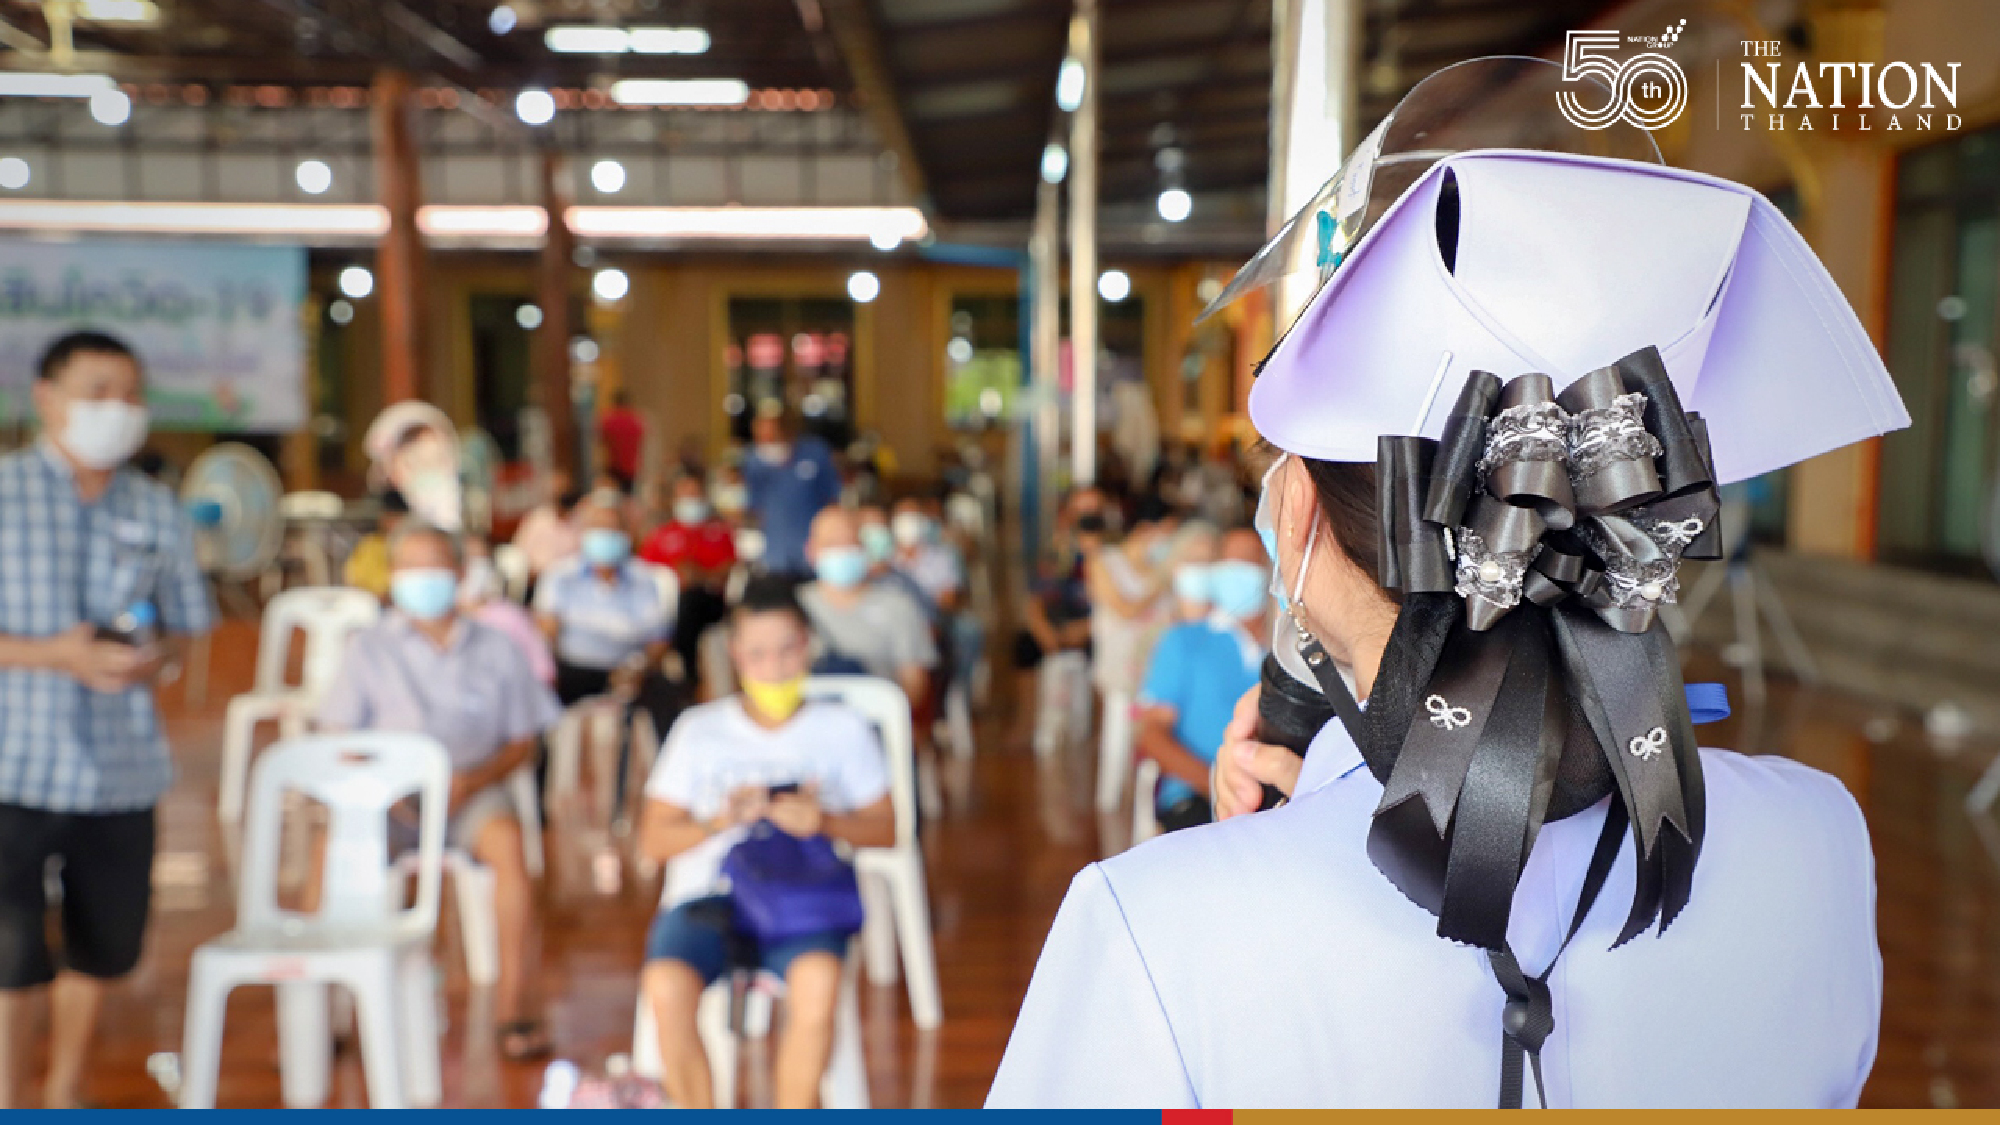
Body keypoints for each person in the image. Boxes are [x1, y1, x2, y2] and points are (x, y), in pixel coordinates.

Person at [989, 121, 1903, 1106]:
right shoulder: (1820, 840)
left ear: (1296, 514)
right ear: (1634, 511)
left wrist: (1251, 854)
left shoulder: (1148, 923)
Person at [0, 330, 215, 1108]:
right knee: (10, 954)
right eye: (98, 391)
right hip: (13, 763)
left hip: (122, 768)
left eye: (130, 393)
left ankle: (64, 1091)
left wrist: (151, 656)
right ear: (47, 398)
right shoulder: (5, 492)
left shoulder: (157, 508)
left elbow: (188, 626)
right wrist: (50, 654)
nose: (117, 409)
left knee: (103, 948)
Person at [637, 577, 895, 1109]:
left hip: (801, 900)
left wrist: (822, 822)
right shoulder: (699, 729)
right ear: (735, 655)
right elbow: (653, 839)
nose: (773, 667)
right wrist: (717, 821)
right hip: (707, 898)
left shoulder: (842, 728)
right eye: (757, 653)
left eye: (787, 650)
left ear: (807, 646)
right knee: (665, 985)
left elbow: (888, 829)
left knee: (819, 982)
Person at [317, 522, 560, 1060]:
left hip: (473, 791)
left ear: (457, 574)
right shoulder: (368, 647)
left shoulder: (498, 648)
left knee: (511, 852)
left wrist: (473, 780)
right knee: (329, 856)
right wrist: (383, 787)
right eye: (410, 567)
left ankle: (513, 1006)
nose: (423, 579)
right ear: (393, 577)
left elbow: (525, 742)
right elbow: (337, 738)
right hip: (389, 800)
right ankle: (318, 1013)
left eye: (434, 567)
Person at [1131, 527, 1268, 831]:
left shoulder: (1291, 651)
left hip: (1274, 804)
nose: (1237, 573)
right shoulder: (1183, 641)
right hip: (1197, 798)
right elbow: (1151, 735)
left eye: (1248, 561)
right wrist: (1217, 784)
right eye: (1229, 563)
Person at [535, 499, 682, 754]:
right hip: (574, 672)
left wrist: (637, 668)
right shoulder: (559, 577)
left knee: (666, 698)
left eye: (612, 529)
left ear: (626, 535)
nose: (604, 536)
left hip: (630, 670)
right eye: (597, 528)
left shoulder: (646, 579)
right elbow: (545, 634)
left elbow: (658, 641)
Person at [796, 507, 936, 706]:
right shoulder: (792, 607)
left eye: (850, 543)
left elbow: (914, 684)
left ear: (864, 548)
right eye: (831, 544)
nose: (842, 551)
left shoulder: (898, 605)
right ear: (811, 550)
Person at [640, 474, 738, 694]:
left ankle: (691, 675)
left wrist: (701, 575)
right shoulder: (662, 534)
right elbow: (646, 573)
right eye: (686, 494)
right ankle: (687, 674)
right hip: (671, 605)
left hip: (711, 602)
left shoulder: (719, 532)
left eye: (695, 494)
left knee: (692, 601)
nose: (691, 499)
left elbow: (731, 567)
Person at [741, 407, 841, 577]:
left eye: (772, 437)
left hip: (812, 547)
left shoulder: (815, 453)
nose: (768, 443)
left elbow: (831, 500)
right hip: (775, 550)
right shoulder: (754, 461)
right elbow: (754, 506)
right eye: (762, 439)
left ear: (786, 432)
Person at [461, 537, 556, 686]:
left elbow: (543, 670)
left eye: (481, 561)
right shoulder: (431, 618)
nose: (475, 567)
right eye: (467, 559)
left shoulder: (510, 616)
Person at [512, 468, 582, 593]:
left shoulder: (581, 521)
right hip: (538, 583)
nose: (560, 494)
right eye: (556, 491)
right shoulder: (536, 520)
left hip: (572, 584)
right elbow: (519, 553)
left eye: (563, 490)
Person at [343, 489, 409, 599]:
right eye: (388, 516)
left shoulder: (414, 547)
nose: (392, 523)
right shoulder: (370, 545)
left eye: (397, 517)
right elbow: (353, 581)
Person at [598, 390, 646, 491]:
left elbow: (601, 440)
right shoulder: (636, 420)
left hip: (614, 464)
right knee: (628, 495)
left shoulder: (609, 420)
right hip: (631, 466)